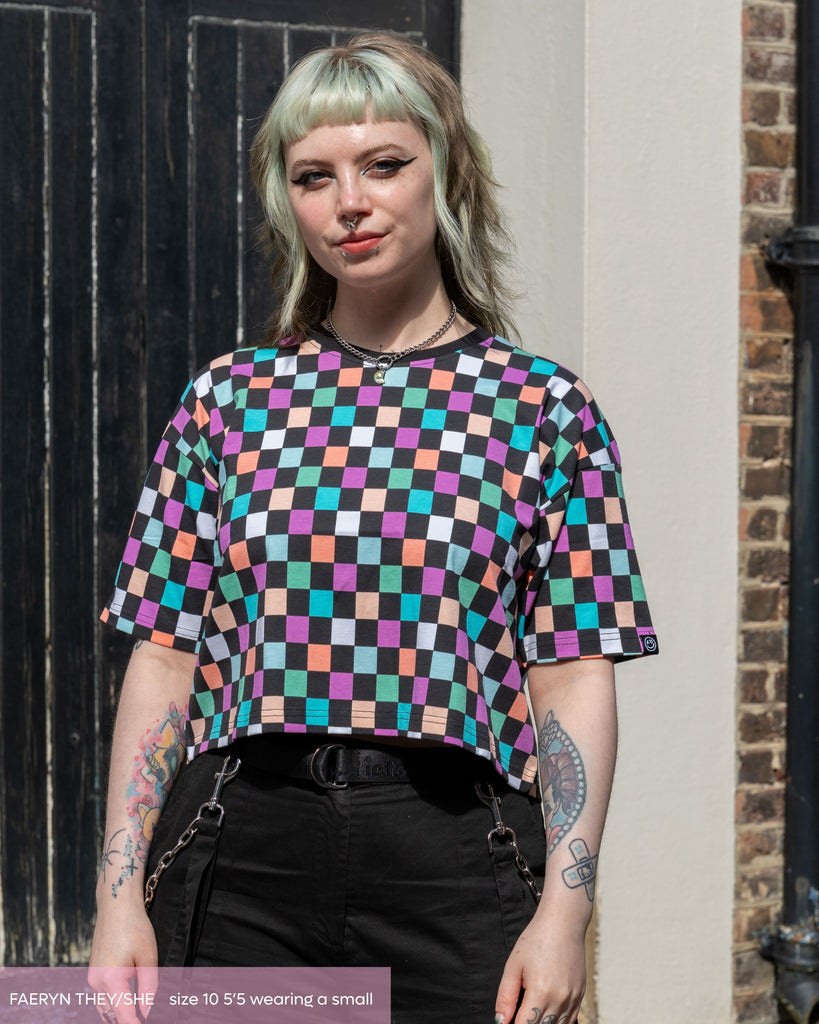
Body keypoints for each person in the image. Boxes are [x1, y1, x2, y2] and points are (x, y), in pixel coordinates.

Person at [88, 31, 658, 1024]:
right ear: (286, 200)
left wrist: (566, 909)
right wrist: (114, 900)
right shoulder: (228, 403)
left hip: (458, 862)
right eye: (314, 176)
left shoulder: (544, 410)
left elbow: (571, 671)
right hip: (245, 855)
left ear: (446, 173)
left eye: (384, 164)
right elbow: (165, 659)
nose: (348, 201)